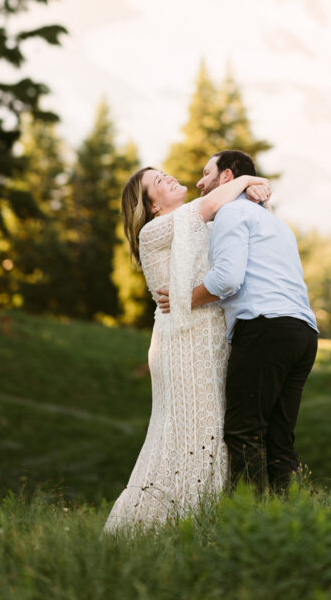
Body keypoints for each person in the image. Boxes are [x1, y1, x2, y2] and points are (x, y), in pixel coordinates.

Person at [103, 165, 270, 532]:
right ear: (151, 206)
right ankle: (166, 525)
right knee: (197, 432)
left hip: (210, 339)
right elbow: (208, 205)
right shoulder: (154, 231)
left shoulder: (198, 225)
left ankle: (203, 523)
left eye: (163, 173)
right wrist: (246, 180)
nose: (166, 177)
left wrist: (254, 193)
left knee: (210, 431)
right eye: (156, 182)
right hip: (181, 344)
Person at [158, 150, 318, 493]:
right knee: (280, 436)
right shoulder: (277, 223)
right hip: (303, 333)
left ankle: (249, 523)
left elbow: (228, 279)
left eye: (206, 173)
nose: (200, 182)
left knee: (244, 432)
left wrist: (184, 297)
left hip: (265, 330)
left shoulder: (231, 212)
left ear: (227, 177)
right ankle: (288, 521)